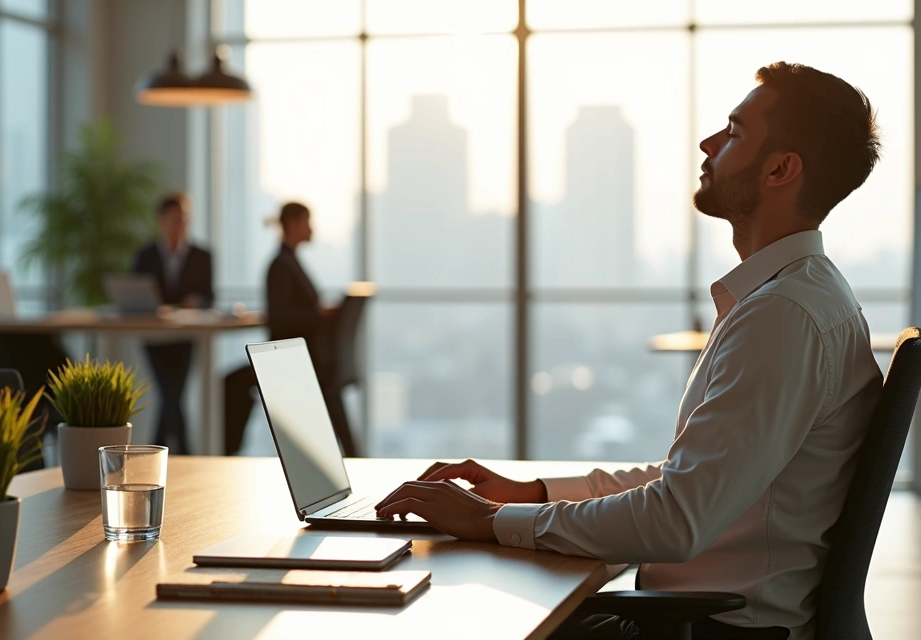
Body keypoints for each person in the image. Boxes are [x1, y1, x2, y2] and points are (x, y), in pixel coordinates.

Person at [373, 61, 883, 640]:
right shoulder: (793, 296)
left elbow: (678, 518)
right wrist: (532, 496)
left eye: (735, 132)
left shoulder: (782, 316)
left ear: (780, 170)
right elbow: (685, 481)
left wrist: (491, 521)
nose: (708, 143)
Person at [224, 202, 358, 457]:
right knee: (231, 383)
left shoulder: (287, 262)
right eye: (307, 222)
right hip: (293, 358)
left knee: (230, 383)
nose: (311, 228)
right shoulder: (283, 265)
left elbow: (281, 316)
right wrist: (318, 314)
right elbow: (282, 318)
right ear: (294, 224)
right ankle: (226, 454)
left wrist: (317, 314)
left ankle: (226, 453)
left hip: (297, 360)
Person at [132, 192, 214, 454]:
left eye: (184, 219)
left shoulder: (202, 255)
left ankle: (159, 452)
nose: (180, 224)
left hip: (185, 336)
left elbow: (209, 295)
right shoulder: (145, 255)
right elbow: (134, 292)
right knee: (171, 396)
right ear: (161, 220)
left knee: (171, 396)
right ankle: (183, 453)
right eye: (175, 219)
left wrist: (197, 300)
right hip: (154, 335)